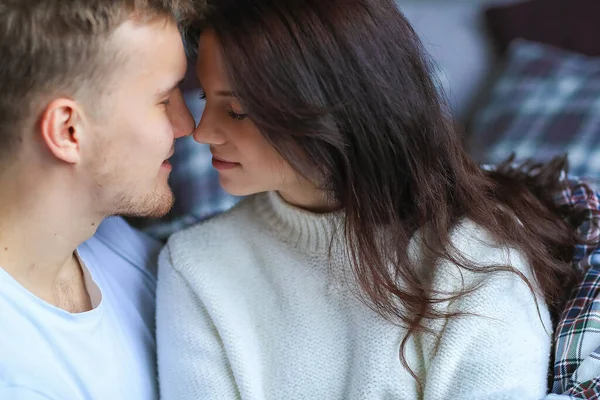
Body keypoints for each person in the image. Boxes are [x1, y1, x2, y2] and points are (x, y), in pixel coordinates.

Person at [156, 0, 582, 398]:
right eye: (205, 100)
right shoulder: (196, 262)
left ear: (330, 107)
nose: (201, 132)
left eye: (236, 111)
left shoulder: (475, 253)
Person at [0, 0, 196, 398]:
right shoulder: (17, 374)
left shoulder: (117, 245)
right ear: (69, 131)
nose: (187, 126)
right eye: (163, 101)